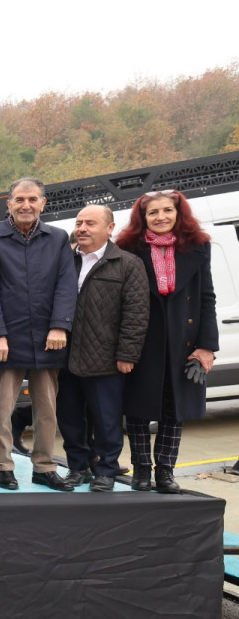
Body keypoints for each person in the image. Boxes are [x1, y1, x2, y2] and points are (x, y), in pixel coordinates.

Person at [0, 178, 77, 492]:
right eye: (19, 199)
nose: (26, 205)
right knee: (1, 409)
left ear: (43, 203)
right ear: (9, 204)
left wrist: (60, 326)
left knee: (47, 409)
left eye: (32, 199)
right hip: (8, 338)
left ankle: (44, 467)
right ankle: (3, 466)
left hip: (49, 337)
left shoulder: (58, 238)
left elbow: (66, 285)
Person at [116, 190, 217, 493]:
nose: (161, 217)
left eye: (167, 211)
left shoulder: (199, 246)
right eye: (153, 212)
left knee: (175, 410)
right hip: (141, 341)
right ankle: (141, 468)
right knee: (137, 410)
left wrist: (206, 347)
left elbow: (206, 297)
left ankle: (165, 471)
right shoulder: (127, 249)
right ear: (143, 218)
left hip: (183, 342)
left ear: (178, 213)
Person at [56, 204, 149, 492]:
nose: (82, 228)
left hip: (105, 358)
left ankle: (106, 470)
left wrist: (127, 354)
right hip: (64, 356)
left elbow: (136, 314)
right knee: (69, 417)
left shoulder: (128, 264)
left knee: (107, 419)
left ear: (110, 228)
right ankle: (77, 467)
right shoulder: (64, 261)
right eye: (79, 223)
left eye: (90, 223)